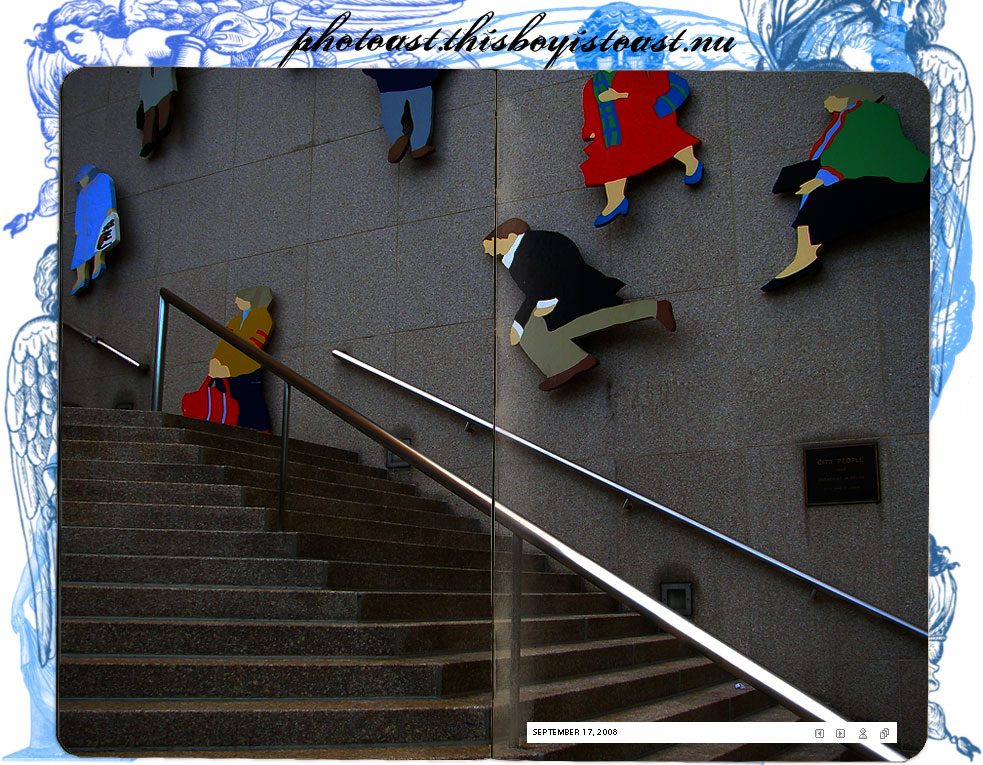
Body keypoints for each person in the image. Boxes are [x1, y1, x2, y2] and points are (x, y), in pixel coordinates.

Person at [761, 84, 929, 291]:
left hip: (906, 179)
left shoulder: (868, 111)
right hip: (852, 167)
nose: (826, 102)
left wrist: (824, 177)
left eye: (831, 97)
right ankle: (806, 249)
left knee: (818, 196)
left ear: (844, 98)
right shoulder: (847, 116)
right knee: (793, 177)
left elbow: (864, 151)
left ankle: (807, 256)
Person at [483, 218, 676, 391]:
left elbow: (547, 278)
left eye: (490, 244)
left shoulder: (531, 247)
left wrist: (522, 319)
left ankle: (570, 363)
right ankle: (570, 363)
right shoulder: (520, 254)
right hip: (562, 296)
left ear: (508, 237)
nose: (487, 251)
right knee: (583, 323)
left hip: (571, 292)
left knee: (534, 331)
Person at [581, 70, 703, 227]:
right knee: (611, 163)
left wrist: (621, 96)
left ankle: (692, 163)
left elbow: (657, 89)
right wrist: (590, 130)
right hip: (613, 132)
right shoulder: (593, 84)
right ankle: (615, 200)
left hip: (644, 120)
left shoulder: (639, 70)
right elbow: (591, 110)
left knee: (667, 141)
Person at [209, 286, 274, 432]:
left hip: (246, 368)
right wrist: (215, 361)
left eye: (239, 299)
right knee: (227, 402)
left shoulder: (263, 317)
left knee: (249, 401)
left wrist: (230, 368)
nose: (236, 302)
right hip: (224, 368)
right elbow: (223, 343)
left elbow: (253, 346)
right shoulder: (235, 320)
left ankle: (260, 431)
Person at [364, 64, 441, 162]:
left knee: (390, 117)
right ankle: (419, 145)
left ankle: (397, 138)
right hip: (419, 80)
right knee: (422, 116)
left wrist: (380, 74)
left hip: (389, 85)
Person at [70, 164, 118, 295]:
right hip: (85, 226)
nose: (80, 182)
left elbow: (107, 196)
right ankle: (81, 279)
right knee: (80, 253)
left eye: (81, 179)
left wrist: (110, 210)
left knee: (99, 241)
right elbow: (79, 212)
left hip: (98, 219)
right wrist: (77, 228)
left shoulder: (101, 180)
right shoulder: (82, 193)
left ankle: (98, 263)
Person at [137, 67, 177, 158]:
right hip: (150, 92)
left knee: (163, 103)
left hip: (162, 85)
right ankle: (148, 140)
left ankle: (162, 126)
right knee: (150, 114)